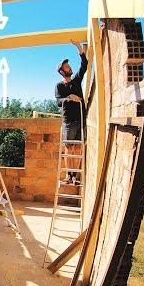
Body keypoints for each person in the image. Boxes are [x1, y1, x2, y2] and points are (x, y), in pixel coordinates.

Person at [54, 39, 88, 185]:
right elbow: (58, 101)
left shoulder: (76, 81)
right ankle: (69, 175)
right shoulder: (59, 86)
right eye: (67, 67)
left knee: (78, 147)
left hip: (80, 119)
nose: (70, 67)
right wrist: (69, 97)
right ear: (62, 72)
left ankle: (75, 176)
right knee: (69, 148)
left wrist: (79, 47)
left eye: (69, 65)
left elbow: (84, 65)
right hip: (68, 122)